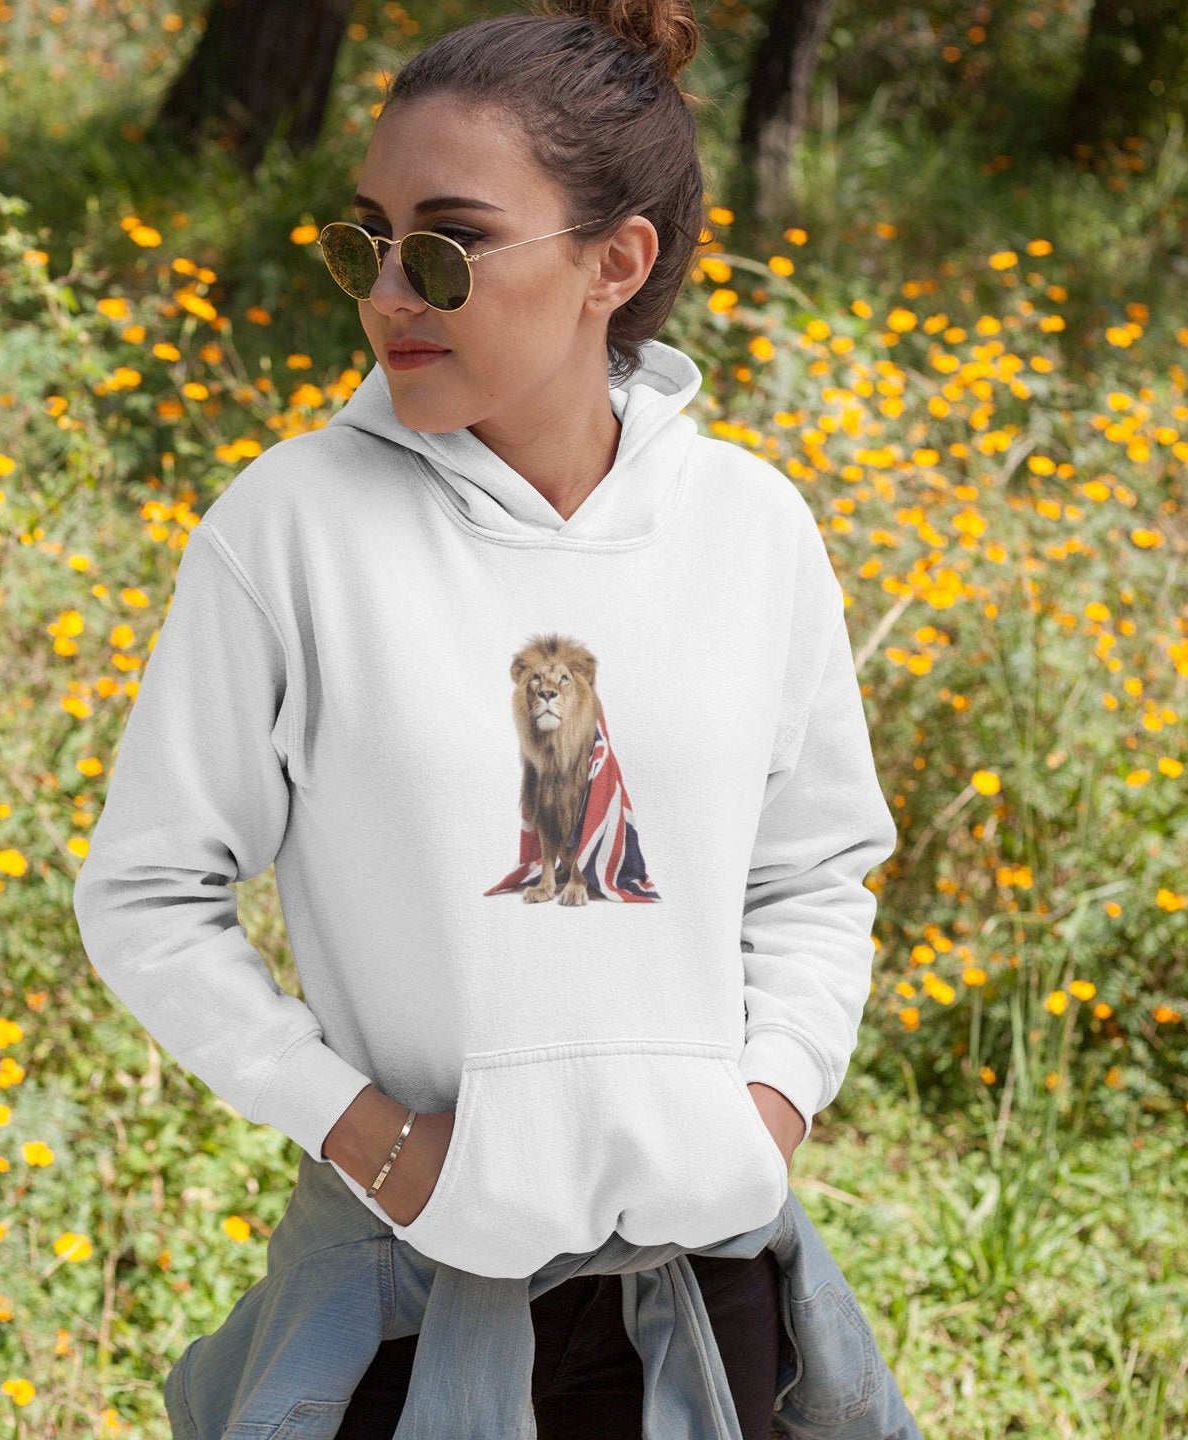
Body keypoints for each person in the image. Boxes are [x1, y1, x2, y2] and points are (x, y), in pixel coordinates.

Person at [71, 2, 911, 1436]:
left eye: (448, 244)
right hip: (405, 1301)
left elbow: (816, 869)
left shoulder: (751, 528)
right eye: (364, 241)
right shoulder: (288, 529)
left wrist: (764, 1106)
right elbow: (147, 894)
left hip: (707, 1299)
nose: (392, 288)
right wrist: (374, 1143)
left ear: (616, 261)